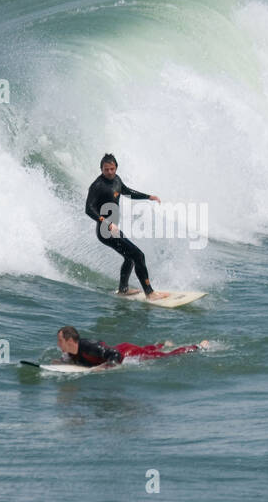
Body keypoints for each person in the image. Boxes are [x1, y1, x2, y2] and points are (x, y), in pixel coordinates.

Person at [85, 153, 167, 299]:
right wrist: (105, 221)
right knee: (138, 255)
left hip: (113, 230)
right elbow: (88, 209)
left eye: (112, 169)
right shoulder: (97, 186)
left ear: (116, 167)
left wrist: (149, 197)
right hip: (105, 231)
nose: (109, 172)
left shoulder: (116, 179)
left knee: (129, 258)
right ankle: (150, 293)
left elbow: (127, 191)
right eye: (106, 169)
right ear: (101, 169)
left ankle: (123, 290)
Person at [56, 326, 207, 369]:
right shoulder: (71, 352)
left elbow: (116, 356)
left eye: (60, 341)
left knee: (162, 356)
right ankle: (159, 345)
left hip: (126, 352)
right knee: (149, 350)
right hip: (121, 347)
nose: (58, 344)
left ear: (70, 341)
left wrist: (104, 367)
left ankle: (198, 346)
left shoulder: (89, 346)